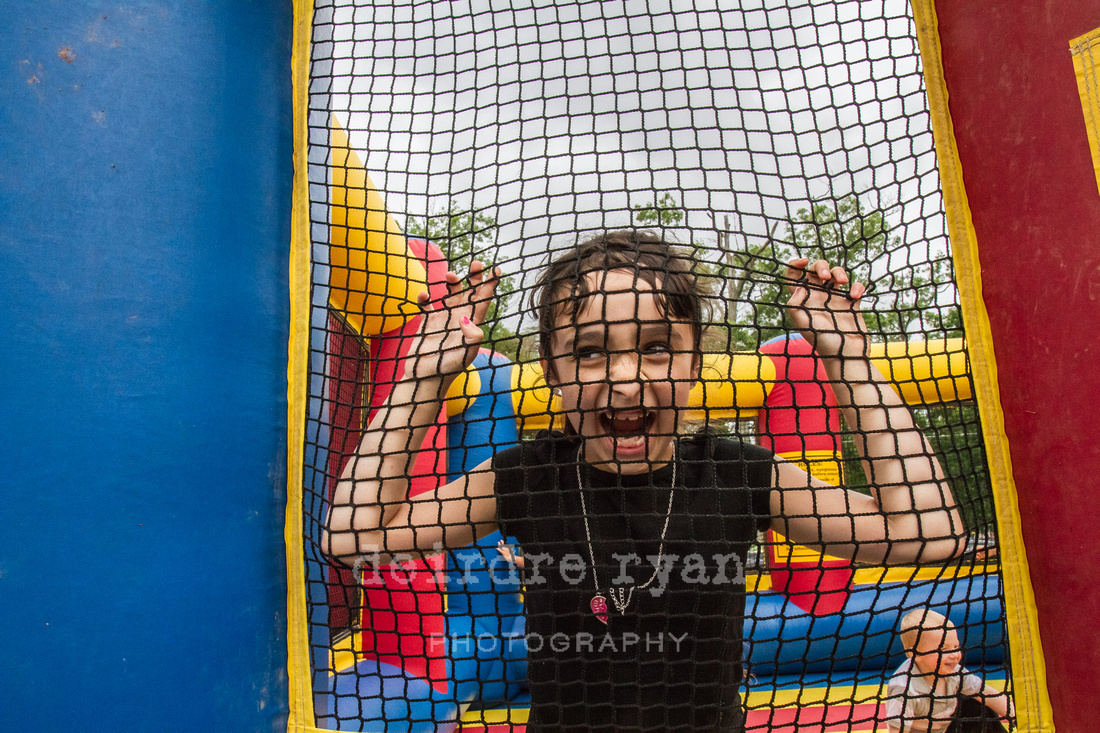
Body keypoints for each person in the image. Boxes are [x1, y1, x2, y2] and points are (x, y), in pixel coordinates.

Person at [323, 229, 967, 732]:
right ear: (549, 369)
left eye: (656, 347)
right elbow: (352, 538)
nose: (625, 378)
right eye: (590, 350)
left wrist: (849, 358)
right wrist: (420, 380)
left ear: (694, 361)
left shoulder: (739, 474)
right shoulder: (523, 477)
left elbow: (930, 533)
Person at [885, 609, 1014, 733]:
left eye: (956, 647)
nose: (954, 654)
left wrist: (1015, 716)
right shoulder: (904, 689)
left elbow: (989, 694)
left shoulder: (955, 673)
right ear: (915, 654)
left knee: (977, 700)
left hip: (947, 728)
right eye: (944, 649)